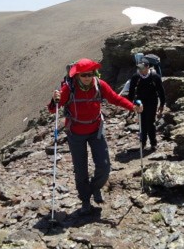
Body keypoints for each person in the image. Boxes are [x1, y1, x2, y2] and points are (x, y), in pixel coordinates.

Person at [48, 58, 143, 215]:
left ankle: (94, 188)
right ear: (77, 75)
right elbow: (53, 109)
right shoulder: (68, 88)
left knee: (104, 166)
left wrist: (132, 107)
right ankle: (85, 199)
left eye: (90, 74)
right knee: (81, 170)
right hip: (75, 133)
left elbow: (114, 98)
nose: (87, 77)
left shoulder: (100, 85)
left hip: (96, 130)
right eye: (83, 75)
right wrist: (54, 99)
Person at [127, 58, 165, 152]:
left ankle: (153, 143)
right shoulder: (136, 77)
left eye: (142, 68)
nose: (140, 70)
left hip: (152, 101)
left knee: (150, 122)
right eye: (139, 68)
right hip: (140, 101)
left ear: (148, 67)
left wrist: (162, 104)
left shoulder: (155, 76)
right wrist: (129, 104)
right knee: (142, 122)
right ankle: (143, 143)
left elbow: (161, 91)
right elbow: (131, 91)